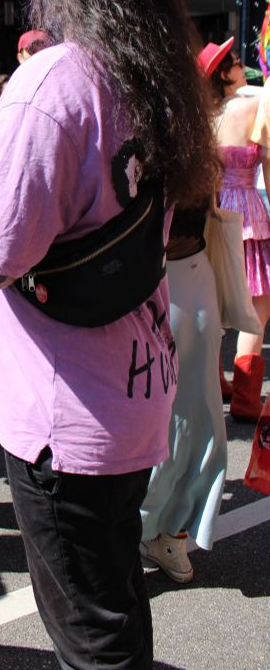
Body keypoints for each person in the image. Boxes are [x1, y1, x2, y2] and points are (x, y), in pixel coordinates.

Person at [0, 0, 219, 669]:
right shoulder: (159, 74)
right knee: (114, 606)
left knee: (92, 638)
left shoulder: (54, 81)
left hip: (60, 416)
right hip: (134, 392)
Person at [139, 199, 227, 583]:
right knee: (161, 417)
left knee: (198, 417)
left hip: (191, 275)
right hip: (150, 282)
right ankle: (139, 531)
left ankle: (170, 532)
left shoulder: (199, 147)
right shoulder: (131, 142)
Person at [201, 38, 269, 421]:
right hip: (247, 212)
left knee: (216, 302)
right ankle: (245, 396)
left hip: (213, 211)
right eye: (239, 64)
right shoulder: (253, 105)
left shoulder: (208, 115)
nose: (245, 68)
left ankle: (216, 381)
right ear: (226, 73)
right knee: (256, 305)